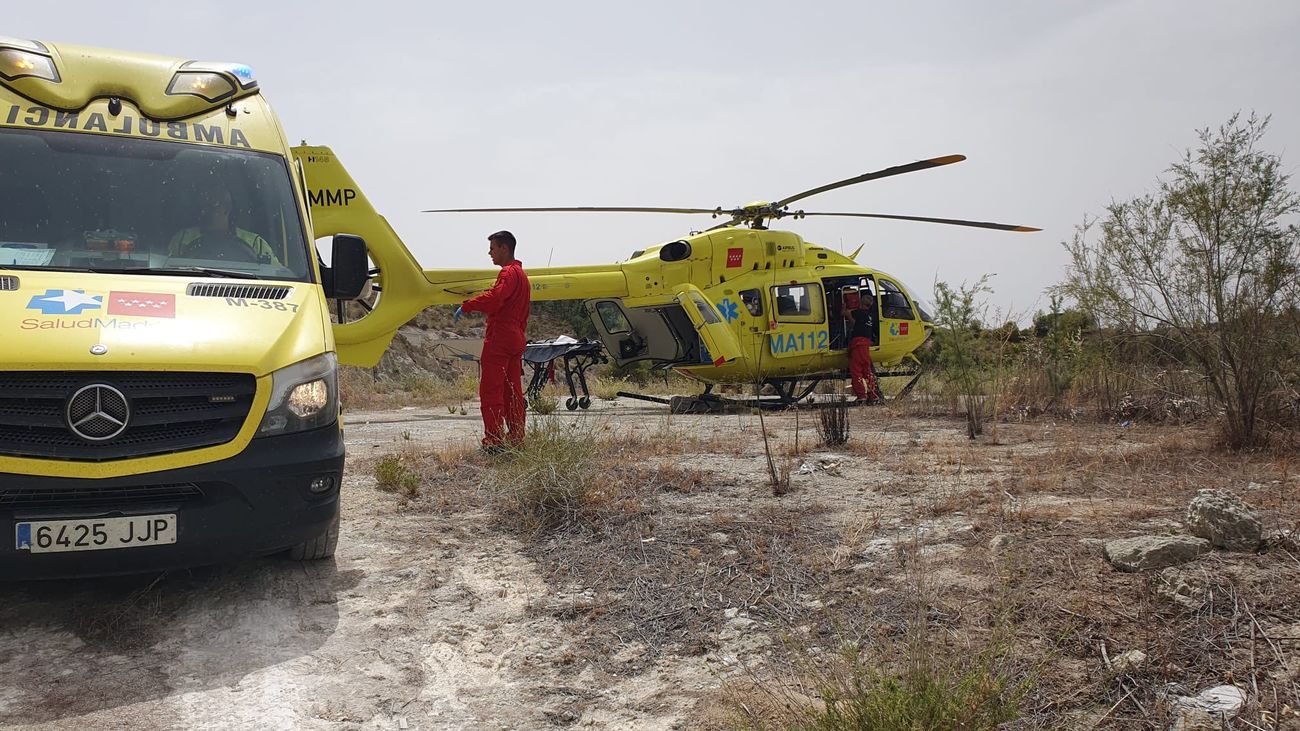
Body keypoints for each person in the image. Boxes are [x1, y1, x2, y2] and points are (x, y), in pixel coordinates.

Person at [456, 230, 531, 451]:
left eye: (492, 248)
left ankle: (494, 441)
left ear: (504, 249)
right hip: (517, 337)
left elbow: (496, 298)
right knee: (513, 392)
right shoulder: (523, 276)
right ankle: (516, 438)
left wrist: (468, 304)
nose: (489, 253)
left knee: (492, 391)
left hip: (500, 337)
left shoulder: (508, 273)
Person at [169, 179, 280, 265]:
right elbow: (168, 272)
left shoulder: (256, 243)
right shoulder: (182, 240)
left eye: (211, 206)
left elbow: (276, 274)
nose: (204, 211)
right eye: (202, 206)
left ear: (227, 208)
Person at [848, 298, 882, 402]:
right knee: (867, 371)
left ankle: (862, 396)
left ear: (860, 303)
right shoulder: (870, 316)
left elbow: (847, 315)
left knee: (856, 371)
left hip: (858, 345)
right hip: (866, 345)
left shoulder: (859, 313)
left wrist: (847, 312)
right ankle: (873, 394)